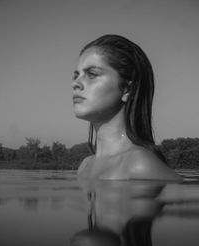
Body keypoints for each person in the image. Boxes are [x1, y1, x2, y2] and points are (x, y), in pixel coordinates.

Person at [72, 34, 182, 181]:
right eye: (76, 76)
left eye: (91, 74)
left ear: (126, 90)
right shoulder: (85, 166)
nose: (75, 84)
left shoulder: (142, 166)